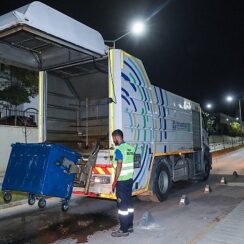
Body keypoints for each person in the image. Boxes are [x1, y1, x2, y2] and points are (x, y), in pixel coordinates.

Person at [111, 129, 135, 237]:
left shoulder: (119, 150)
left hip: (121, 182)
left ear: (117, 137)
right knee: (129, 204)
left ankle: (123, 230)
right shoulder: (130, 148)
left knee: (122, 207)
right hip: (129, 180)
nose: (113, 141)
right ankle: (129, 226)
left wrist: (115, 180)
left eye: (113, 138)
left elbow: (119, 165)